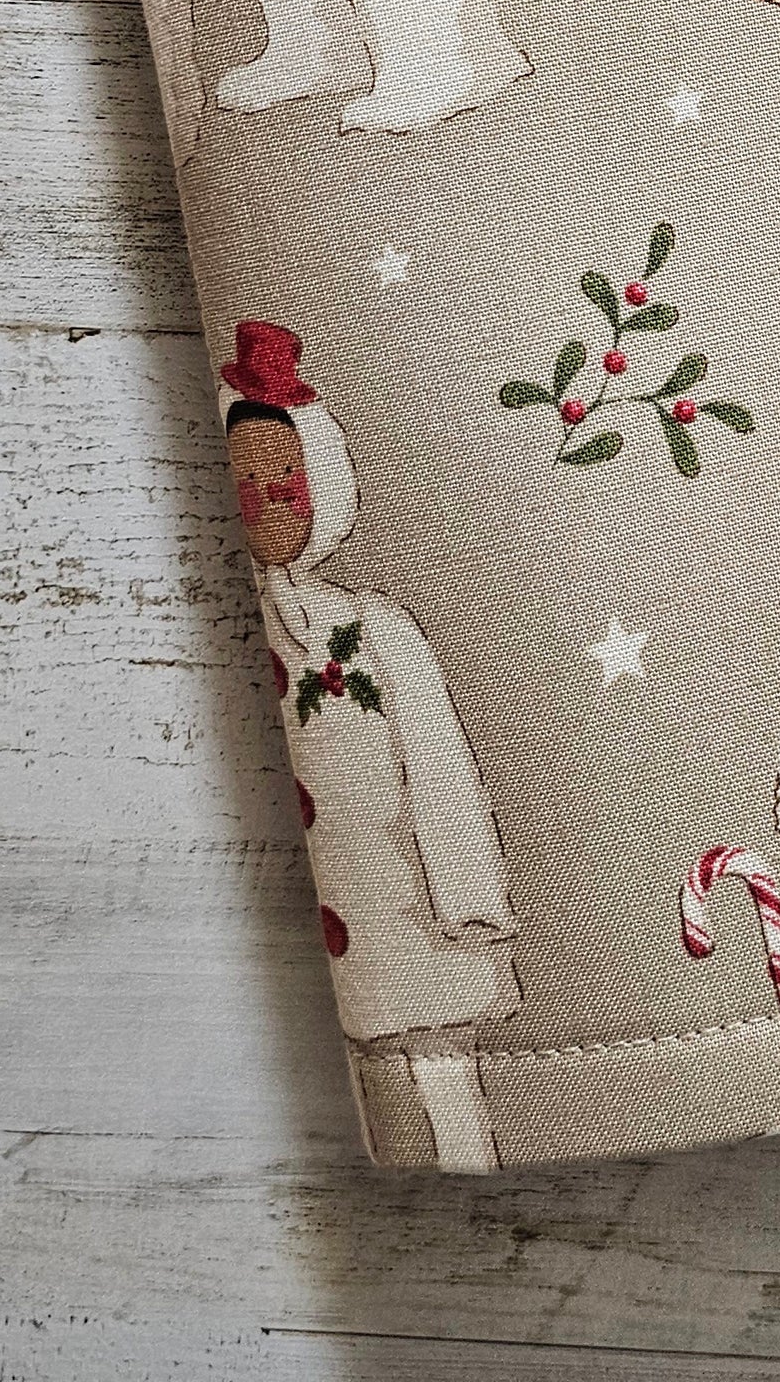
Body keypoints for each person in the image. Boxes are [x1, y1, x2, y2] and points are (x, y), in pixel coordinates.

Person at [220, 318, 522, 1169]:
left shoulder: (371, 631)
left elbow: (439, 766)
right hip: (307, 954)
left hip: (411, 917)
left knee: (445, 1087)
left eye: (285, 479)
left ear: (320, 480)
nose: (267, 501)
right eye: (247, 482)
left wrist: (468, 892)